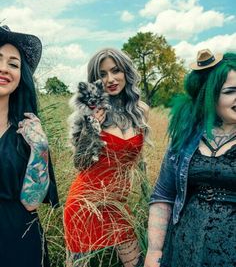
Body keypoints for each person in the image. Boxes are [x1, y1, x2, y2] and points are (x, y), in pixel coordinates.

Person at [144, 49, 236, 267]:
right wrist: (154, 252)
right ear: (210, 96)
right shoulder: (186, 139)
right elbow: (164, 196)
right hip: (185, 248)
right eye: (231, 91)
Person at [64, 48, 149, 267]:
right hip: (84, 204)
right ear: (95, 80)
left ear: (125, 72)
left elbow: (139, 163)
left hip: (117, 206)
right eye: (102, 74)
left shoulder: (140, 111)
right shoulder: (90, 112)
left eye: (115, 70)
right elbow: (80, 164)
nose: (110, 79)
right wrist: (92, 127)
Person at [0, 25, 59, 267]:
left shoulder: (27, 131)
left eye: (13, 64)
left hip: (18, 243)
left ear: (20, 76)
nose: (4, 68)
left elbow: (31, 202)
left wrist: (40, 149)